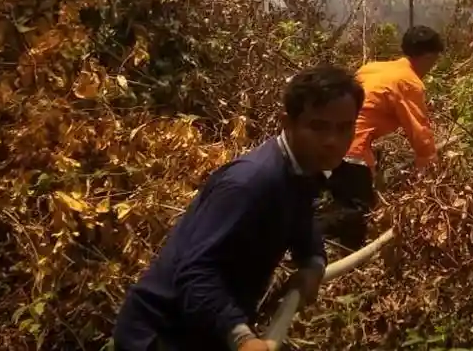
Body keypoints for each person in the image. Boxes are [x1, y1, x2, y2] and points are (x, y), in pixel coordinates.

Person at [113, 65, 364, 351]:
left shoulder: (304, 169)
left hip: (201, 331)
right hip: (159, 335)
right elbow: (196, 272)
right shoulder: (251, 183)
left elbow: (302, 225)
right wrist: (241, 337)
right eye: (318, 127)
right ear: (287, 123)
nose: (333, 141)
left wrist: (313, 262)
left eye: (344, 128)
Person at [322, 25, 442, 250]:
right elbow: (419, 131)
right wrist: (431, 172)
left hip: (327, 140)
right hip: (352, 147)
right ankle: (304, 232)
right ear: (428, 56)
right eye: (434, 60)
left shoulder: (372, 68)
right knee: (357, 211)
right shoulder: (408, 81)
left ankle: (348, 265)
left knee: (347, 206)